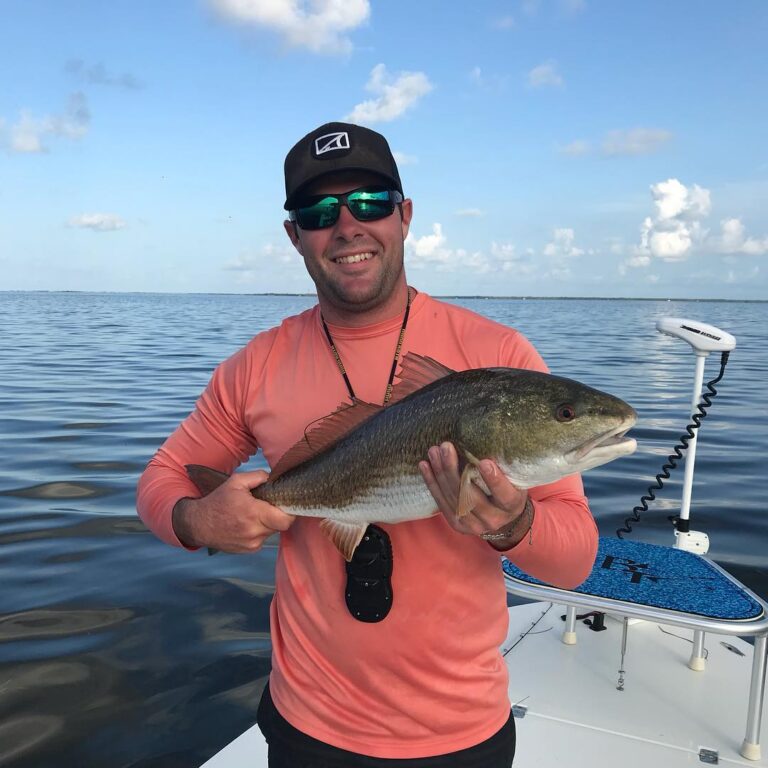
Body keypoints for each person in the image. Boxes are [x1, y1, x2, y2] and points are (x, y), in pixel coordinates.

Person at [137, 121, 598, 767]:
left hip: (462, 732)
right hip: (306, 725)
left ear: (404, 217)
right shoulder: (256, 364)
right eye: (320, 211)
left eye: (371, 203)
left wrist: (515, 524)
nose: (347, 225)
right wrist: (195, 516)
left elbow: (575, 561)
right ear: (294, 234)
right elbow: (161, 480)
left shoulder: (499, 357)